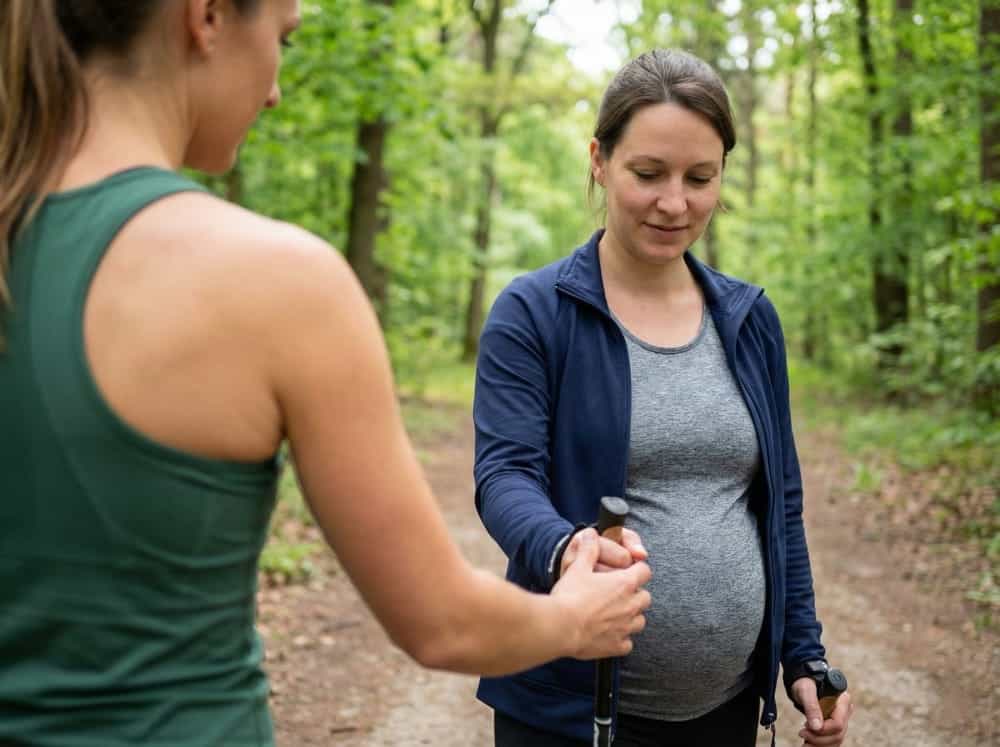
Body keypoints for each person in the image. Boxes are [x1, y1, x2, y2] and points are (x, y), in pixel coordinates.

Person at [0, 2, 654, 745]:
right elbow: (439, 623)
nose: (276, 89)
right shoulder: (273, 279)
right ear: (207, 16)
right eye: (282, 39)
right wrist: (573, 616)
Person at [473, 49, 854, 747]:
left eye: (699, 177)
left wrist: (804, 654)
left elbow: (780, 503)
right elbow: (504, 476)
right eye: (648, 173)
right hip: (565, 713)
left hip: (726, 713)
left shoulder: (749, 320)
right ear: (599, 159)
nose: (674, 202)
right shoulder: (534, 313)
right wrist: (566, 547)